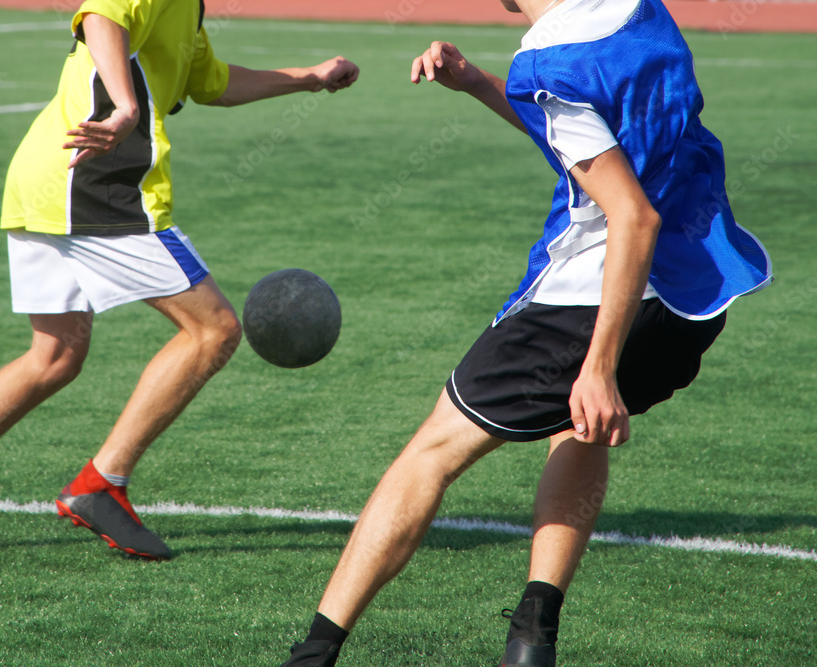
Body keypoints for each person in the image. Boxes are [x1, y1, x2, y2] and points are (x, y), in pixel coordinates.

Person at [279, 0, 771, 664]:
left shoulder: (547, 62)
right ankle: (532, 636)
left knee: (431, 452)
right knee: (578, 423)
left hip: (592, 297)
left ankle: (313, 654)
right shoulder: (641, 11)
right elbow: (596, 141)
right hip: (693, 298)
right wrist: (480, 85)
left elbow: (633, 217)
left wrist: (598, 365)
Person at [0, 0, 359, 560]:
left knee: (52, 357)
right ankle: (102, 484)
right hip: (95, 180)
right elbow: (102, 15)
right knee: (213, 330)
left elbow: (212, 82)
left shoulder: (187, 9)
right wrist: (125, 103)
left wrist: (310, 79)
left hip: (47, 176)